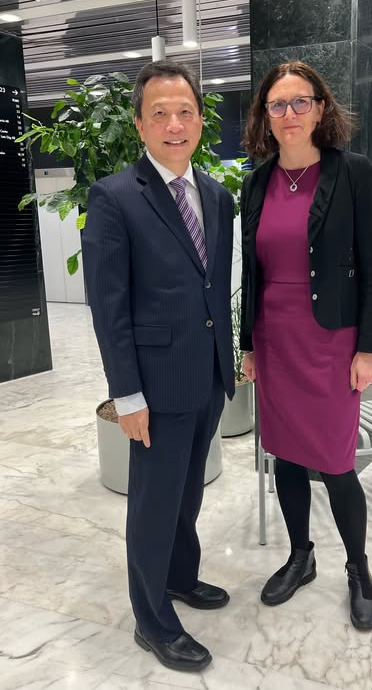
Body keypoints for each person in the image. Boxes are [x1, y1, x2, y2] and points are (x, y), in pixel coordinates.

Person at [82, 61, 235, 671]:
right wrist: (126, 395)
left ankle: (179, 575)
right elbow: (108, 305)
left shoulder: (217, 196)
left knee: (188, 492)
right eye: (160, 114)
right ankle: (152, 619)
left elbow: (211, 287)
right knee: (153, 503)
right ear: (140, 125)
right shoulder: (114, 197)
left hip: (208, 375)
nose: (175, 124)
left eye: (185, 112)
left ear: (200, 120)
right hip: (154, 384)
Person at [239, 61, 372, 630]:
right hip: (275, 340)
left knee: (336, 462)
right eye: (278, 105)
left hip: (331, 342)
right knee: (286, 456)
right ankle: (301, 556)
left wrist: (368, 347)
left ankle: (359, 569)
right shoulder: (256, 182)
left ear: (321, 108)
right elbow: (251, 273)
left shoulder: (353, 173)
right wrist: (248, 345)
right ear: (265, 116)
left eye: (301, 101)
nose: (290, 113)